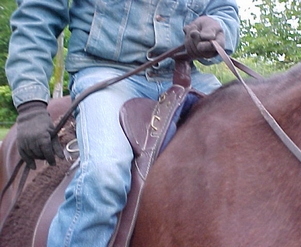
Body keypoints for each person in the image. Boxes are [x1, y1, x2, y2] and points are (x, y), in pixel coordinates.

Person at [5, 0, 240, 246]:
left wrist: (217, 28)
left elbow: (223, 10)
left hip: (185, 76)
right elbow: (38, 14)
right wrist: (31, 103)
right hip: (107, 73)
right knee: (105, 174)